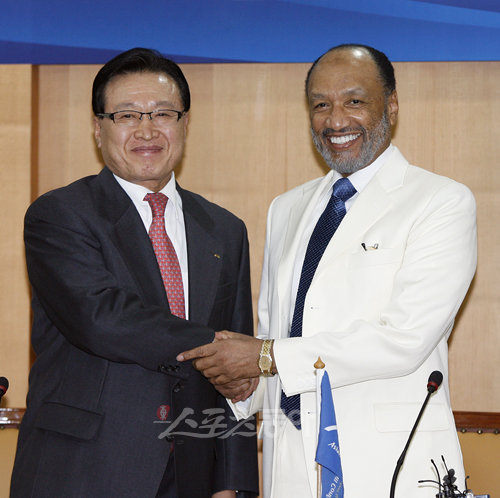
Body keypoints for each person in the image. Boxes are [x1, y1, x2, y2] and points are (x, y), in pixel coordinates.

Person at [178, 44, 477, 497]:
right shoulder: (287, 208)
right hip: (289, 461)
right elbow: (275, 332)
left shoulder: (440, 202)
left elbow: (405, 339)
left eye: (354, 101)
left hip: (388, 464)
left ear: (391, 105)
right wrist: (243, 383)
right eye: (321, 105)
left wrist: (265, 357)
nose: (336, 121)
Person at [10, 48, 258, 498]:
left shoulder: (224, 229)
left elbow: (234, 377)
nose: (147, 130)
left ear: (185, 123)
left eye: (163, 113)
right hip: (84, 471)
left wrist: (233, 482)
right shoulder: (60, 214)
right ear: (98, 127)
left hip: (192, 475)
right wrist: (220, 347)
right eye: (126, 115)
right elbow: (101, 318)